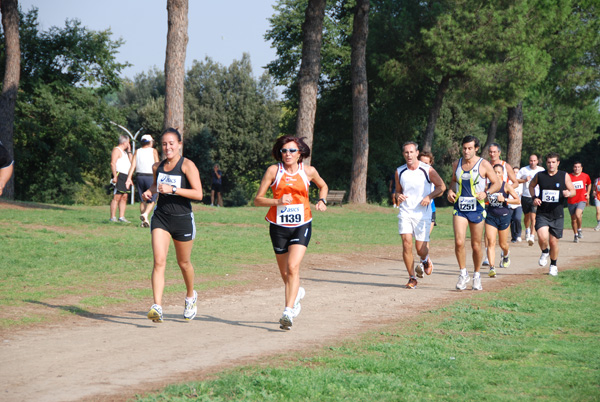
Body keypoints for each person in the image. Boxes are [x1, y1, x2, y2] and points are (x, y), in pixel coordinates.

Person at [254, 135, 328, 330]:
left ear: (300, 153)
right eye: (284, 150)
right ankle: (297, 293)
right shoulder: (273, 171)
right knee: (285, 272)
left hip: (301, 223)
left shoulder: (308, 171)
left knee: (293, 267)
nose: (287, 154)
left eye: (292, 150)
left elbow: (323, 186)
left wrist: (322, 200)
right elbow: (258, 199)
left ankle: (288, 311)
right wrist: (277, 201)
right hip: (278, 226)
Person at [142, 128, 204, 323]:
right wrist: (149, 191)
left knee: (183, 263)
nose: (168, 147)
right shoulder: (157, 167)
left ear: (179, 145)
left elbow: (199, 194)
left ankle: (190, 296)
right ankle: (157, 306)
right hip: (161, 217)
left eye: (171, 143)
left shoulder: (187, 166)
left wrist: (174, 189)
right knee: (159, 261)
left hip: (183, 219)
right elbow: (156, 186)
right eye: (164, 144)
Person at [447, 135, 500, 291]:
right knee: (459, 242)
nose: (466, 151)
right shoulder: (456, 164)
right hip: (460, 207)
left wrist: (487, 193)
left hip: (477, 207)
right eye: (464, 148)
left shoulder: (483, 165)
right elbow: (453, 181)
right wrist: (450, 191)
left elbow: (496, 183)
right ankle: (463, 274)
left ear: (476, 148)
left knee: (476, 245)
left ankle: (477, 275)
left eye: (470, 148)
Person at [395, 142, 446, 288]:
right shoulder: (400, 171)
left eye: (411, 152)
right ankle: (412, 278)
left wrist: (429, 197)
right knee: (406, 243)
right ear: (403, 154)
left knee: (420, 249)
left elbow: (441, 186)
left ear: (417, 153)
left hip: (422, 213)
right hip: (405, 211)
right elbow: (398, 190)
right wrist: (398, 196)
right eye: (406, 152)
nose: (409, 155)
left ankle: (425, 259)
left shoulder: (427, 170)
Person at [529, 152, 575, 276]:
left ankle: (553, 265)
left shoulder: (564, 176)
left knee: (554, 242)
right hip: (542, 213)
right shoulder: (540, 175)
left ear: (558, 163)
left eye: (553, 162)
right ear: (546, 163)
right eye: (549, 162)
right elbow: (531, 185)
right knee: (542, 237)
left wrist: (568, 194)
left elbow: (573, 191)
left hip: (557, 214)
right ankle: (544, 251)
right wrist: (534, 197)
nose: (551, 164)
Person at [482, 143, 519, 265]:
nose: (492, 154)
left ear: (499, 153)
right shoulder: (485, 165)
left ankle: (505, 253)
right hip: (488, 202)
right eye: (490, 152)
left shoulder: (506, 166)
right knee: (488, 234)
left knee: (503, 242)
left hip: (502, 204)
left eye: (494, 152)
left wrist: (504, 190)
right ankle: (488, 257)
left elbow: (515, 182)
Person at [485, 164, 520, 278]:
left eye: (499, 172)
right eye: (494, 172)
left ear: (502, 174)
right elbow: (483, 198)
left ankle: (506, 254)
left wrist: (504, 199)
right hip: (491, 217)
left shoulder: (506, 186)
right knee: (491, 242)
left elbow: (517, 201)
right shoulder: (488, 186)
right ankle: (492, 267)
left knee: (503, 244)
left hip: (504, 216)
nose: (496, 174)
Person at [126, 134, 160, 228]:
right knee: (153, 198)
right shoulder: (153, 151)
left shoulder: (137, 151)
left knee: (143, 199)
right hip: (150, 176)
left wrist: (129, 178)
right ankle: (145, 214)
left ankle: (144, 221)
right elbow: (157, 165)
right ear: (150, 142)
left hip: (139, 176)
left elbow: (133, 166)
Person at [518, 154, 545, 246]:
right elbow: (516, 180)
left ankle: (532, 236)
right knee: (526, 217)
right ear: (528, 161)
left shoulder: (541, 170)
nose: (532, 162)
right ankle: (527, 230)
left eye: (534, 161)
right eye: (531, 161)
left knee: (533, 217)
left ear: (537, 161)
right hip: (525, 196)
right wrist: (524, 180)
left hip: (536, 197)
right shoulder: (523, 170)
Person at [109, 135, 133, 223]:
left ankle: (121, 217)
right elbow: (113, 163)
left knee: (124, 196)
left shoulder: (125, 153)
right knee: (117, 196)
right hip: (119, 175)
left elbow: (132, 162)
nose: (129, 144)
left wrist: (129, 151)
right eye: (128, 142)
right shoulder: (117, 150)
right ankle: (112, 217)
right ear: (124, 142)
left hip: (126, 176)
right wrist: (115, 176)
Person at [567, 161, 591, 243]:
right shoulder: (569, 176)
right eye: (575, 167)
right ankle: (576, 235)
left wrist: (587, 193)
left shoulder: (585, 176)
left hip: (581, 199)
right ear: (573, 168)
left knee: (578, 214)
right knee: (573, 219)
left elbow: (589, 183)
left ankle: (579, 229)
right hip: (571, 200)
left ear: (581, 168)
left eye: (578, 167)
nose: (577, 169)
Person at [418, 151, 438, 234]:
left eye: (426, 163)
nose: (423, 165)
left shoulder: (432, 175)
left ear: (430, 163)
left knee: (424, 238)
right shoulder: (411, 174)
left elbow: (441, 189)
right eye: (421, 162)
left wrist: (429, 197)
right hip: (414, 210)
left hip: (429, 209)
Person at [509, 166, 524, 243]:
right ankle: (513, 237)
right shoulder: (508, 182)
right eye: (513, 172)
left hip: (518, 204)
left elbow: (522, 193)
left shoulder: (521, 184)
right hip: (509, 204)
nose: (515, 174)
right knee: (511, 220)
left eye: (517, 172)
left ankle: (518, 234)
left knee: (517, 219)